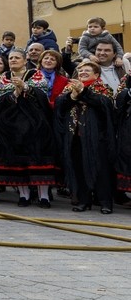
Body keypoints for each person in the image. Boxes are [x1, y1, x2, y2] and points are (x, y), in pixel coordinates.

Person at [0, 50, 57, 208]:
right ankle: (23, 195)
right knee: (16, 159)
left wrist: (26, 87)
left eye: (16, 57)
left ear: (24, 59)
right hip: (11, 124)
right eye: (11, 58)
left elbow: (43, 96)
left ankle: (43, 197)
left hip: (35, 123)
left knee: (39, 157)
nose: (13, 60)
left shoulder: (36, 74)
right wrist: (15, 92)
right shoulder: (4, 77)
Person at [57, 61, 115, 214]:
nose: (82, 72)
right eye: (80, 70)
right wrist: (73, 96)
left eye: (87, 70)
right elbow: (59, 104)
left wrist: (83, 92)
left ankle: (105, 202)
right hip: (74, 136)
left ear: (96, 74)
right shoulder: (70, 88)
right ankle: (84, 201)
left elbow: (104, 104)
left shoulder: (102, 88)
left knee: (101, 170)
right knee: (78, 169)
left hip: (97, 137)